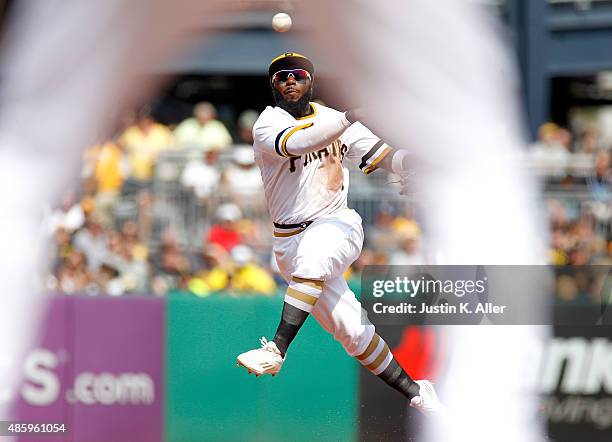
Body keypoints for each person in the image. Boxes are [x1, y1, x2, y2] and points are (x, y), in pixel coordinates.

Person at [236, 53, 442, 414]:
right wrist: (350, 117)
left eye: (298, 75)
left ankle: (277, 350)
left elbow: (384, 156)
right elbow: (297, 144)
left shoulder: (336, 119)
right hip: (288, 244)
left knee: (314, 256)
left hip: (337, 224)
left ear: (310, 82)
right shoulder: (268, 124)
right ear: (273, 85)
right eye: (281, 77)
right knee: (352, 330)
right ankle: (416, 392)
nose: (290, 81)